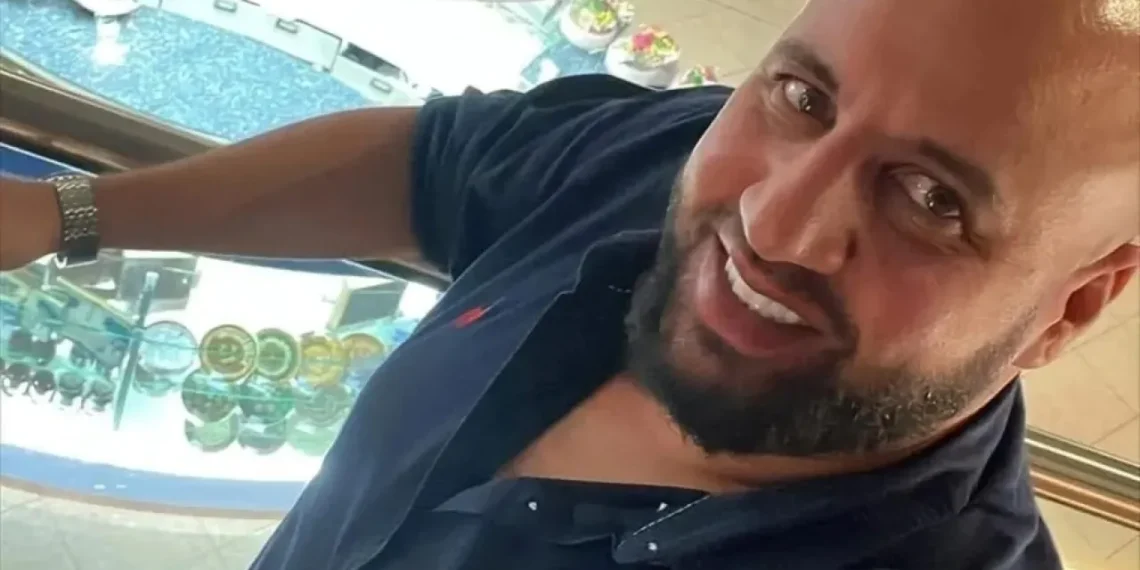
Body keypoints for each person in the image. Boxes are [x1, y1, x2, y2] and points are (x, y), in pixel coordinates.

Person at [1, 0, 1137, 567]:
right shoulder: (659, 156)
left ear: (1074, 305)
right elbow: (429, 167)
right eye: (803, 98)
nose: (776, 223)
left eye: (931, 199)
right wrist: (66, 214)